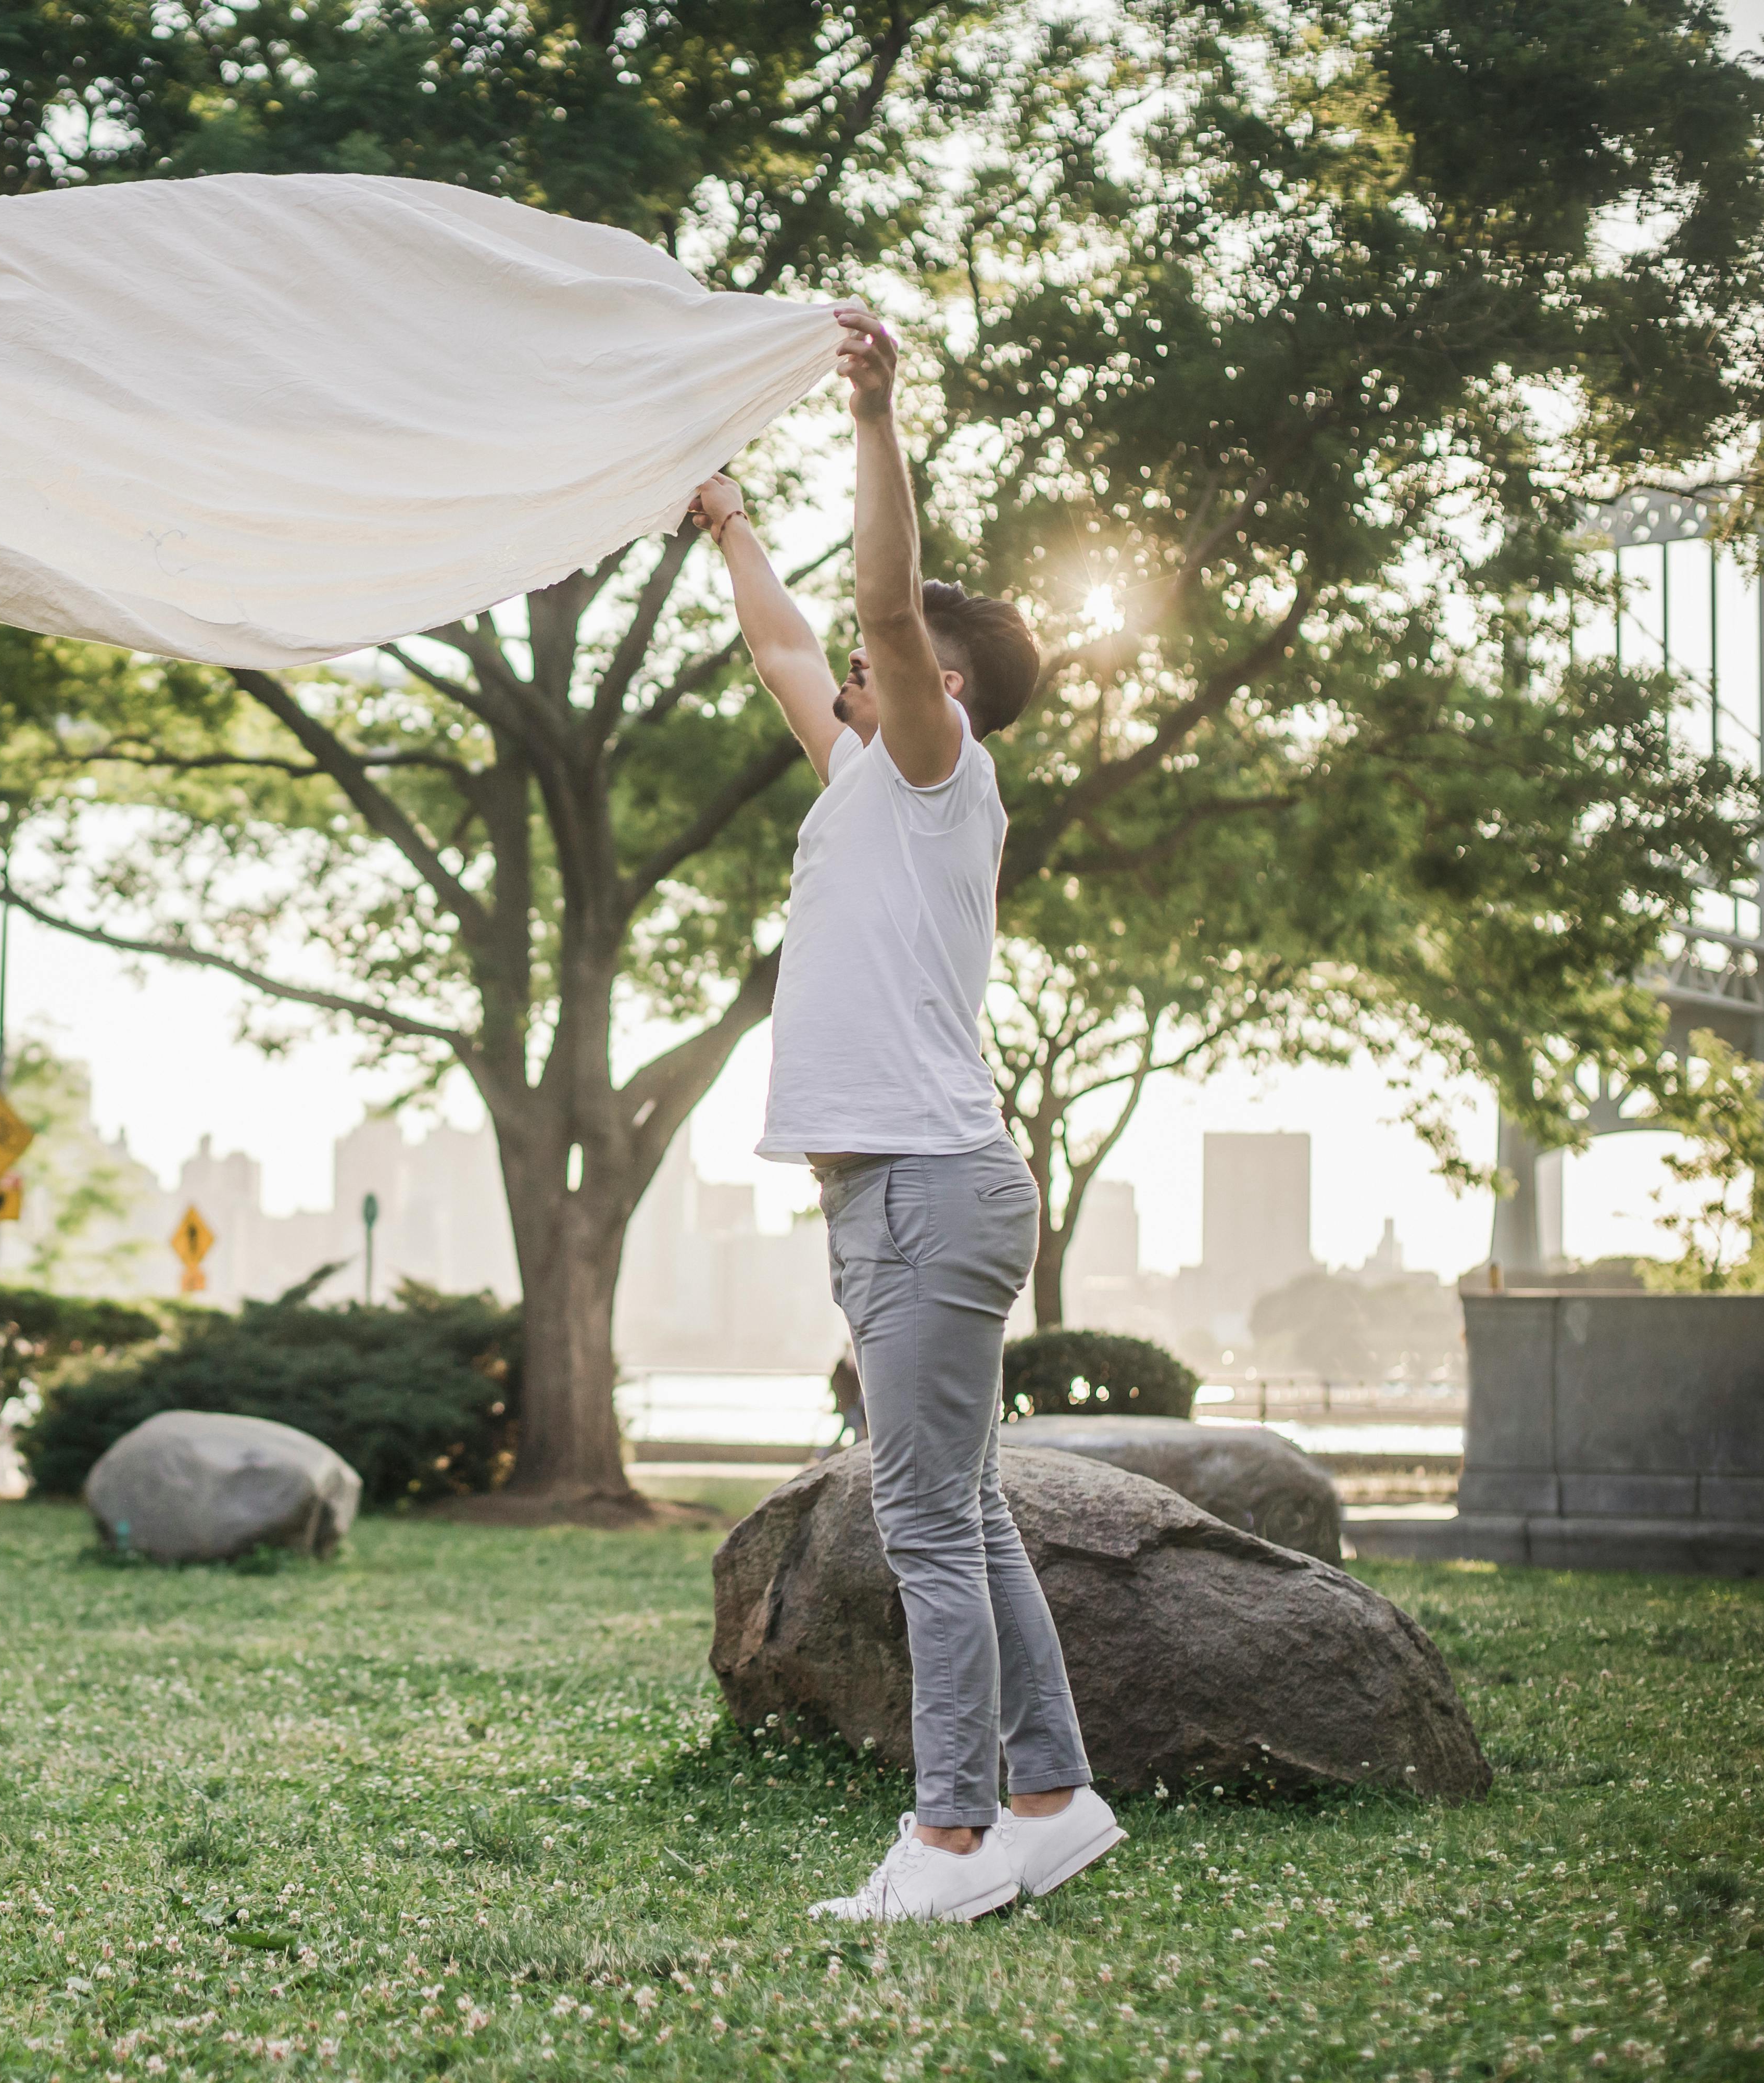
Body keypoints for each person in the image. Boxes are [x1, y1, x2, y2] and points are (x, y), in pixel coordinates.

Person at [692, 310, 1123, 1925]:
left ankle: (948, 1844)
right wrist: (732, 523)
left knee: (929, 1522)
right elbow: (794, 647)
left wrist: (875, 417)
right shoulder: (864, 780)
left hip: (931, 1187)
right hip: (895, 1189)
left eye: (890, 655)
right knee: (964, 1508)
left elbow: (874, 604)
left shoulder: (943, 769)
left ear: (939, 686)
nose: (855, 665)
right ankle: (1052, 1792)